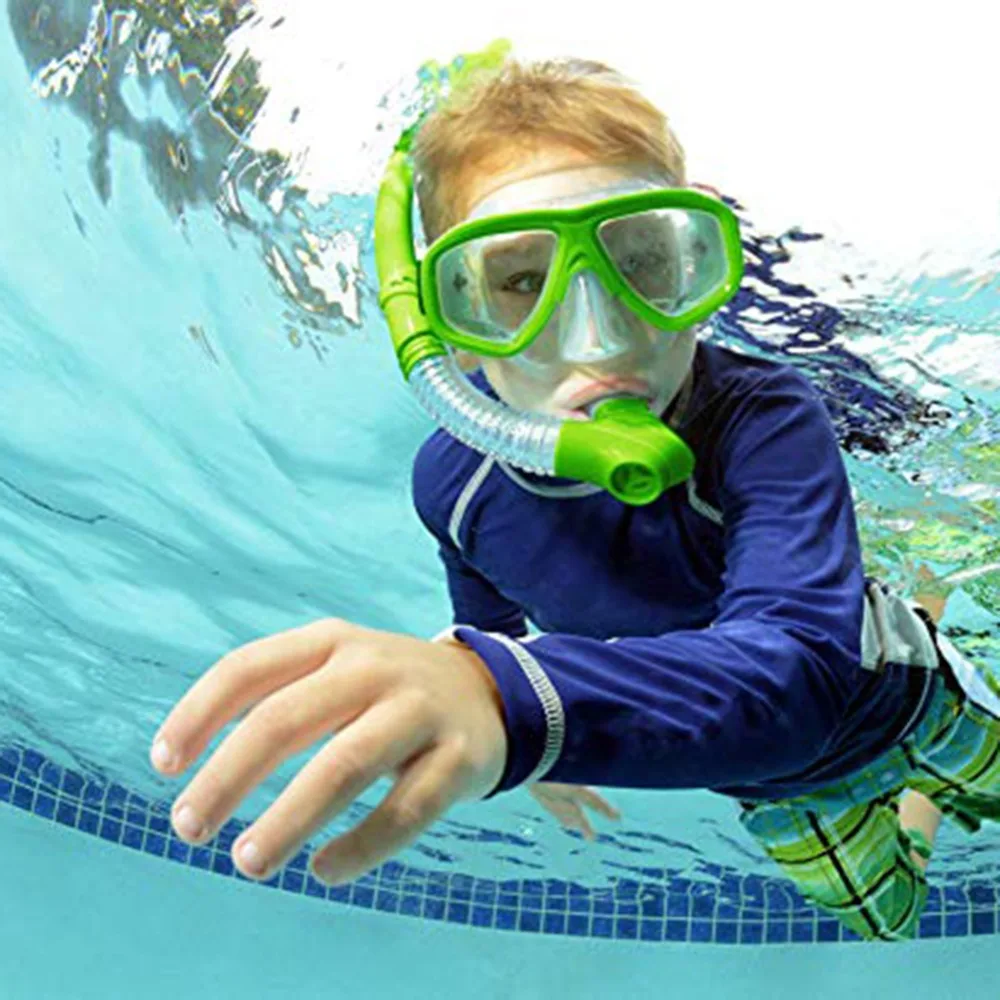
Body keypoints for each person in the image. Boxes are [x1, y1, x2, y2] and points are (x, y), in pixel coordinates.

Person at [151, 53, 997, 942]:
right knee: (890, 919)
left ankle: (930, 614)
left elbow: (799, 680)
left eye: (643, 263)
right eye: (522, 282)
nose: (601, 335)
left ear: (694, 268)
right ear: (446, 330)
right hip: (767, 780)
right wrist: (503, 699)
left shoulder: (762, 414)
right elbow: (491, 622)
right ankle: (918, 801)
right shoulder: (452, 480)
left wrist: (521, 704)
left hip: (906, 697)